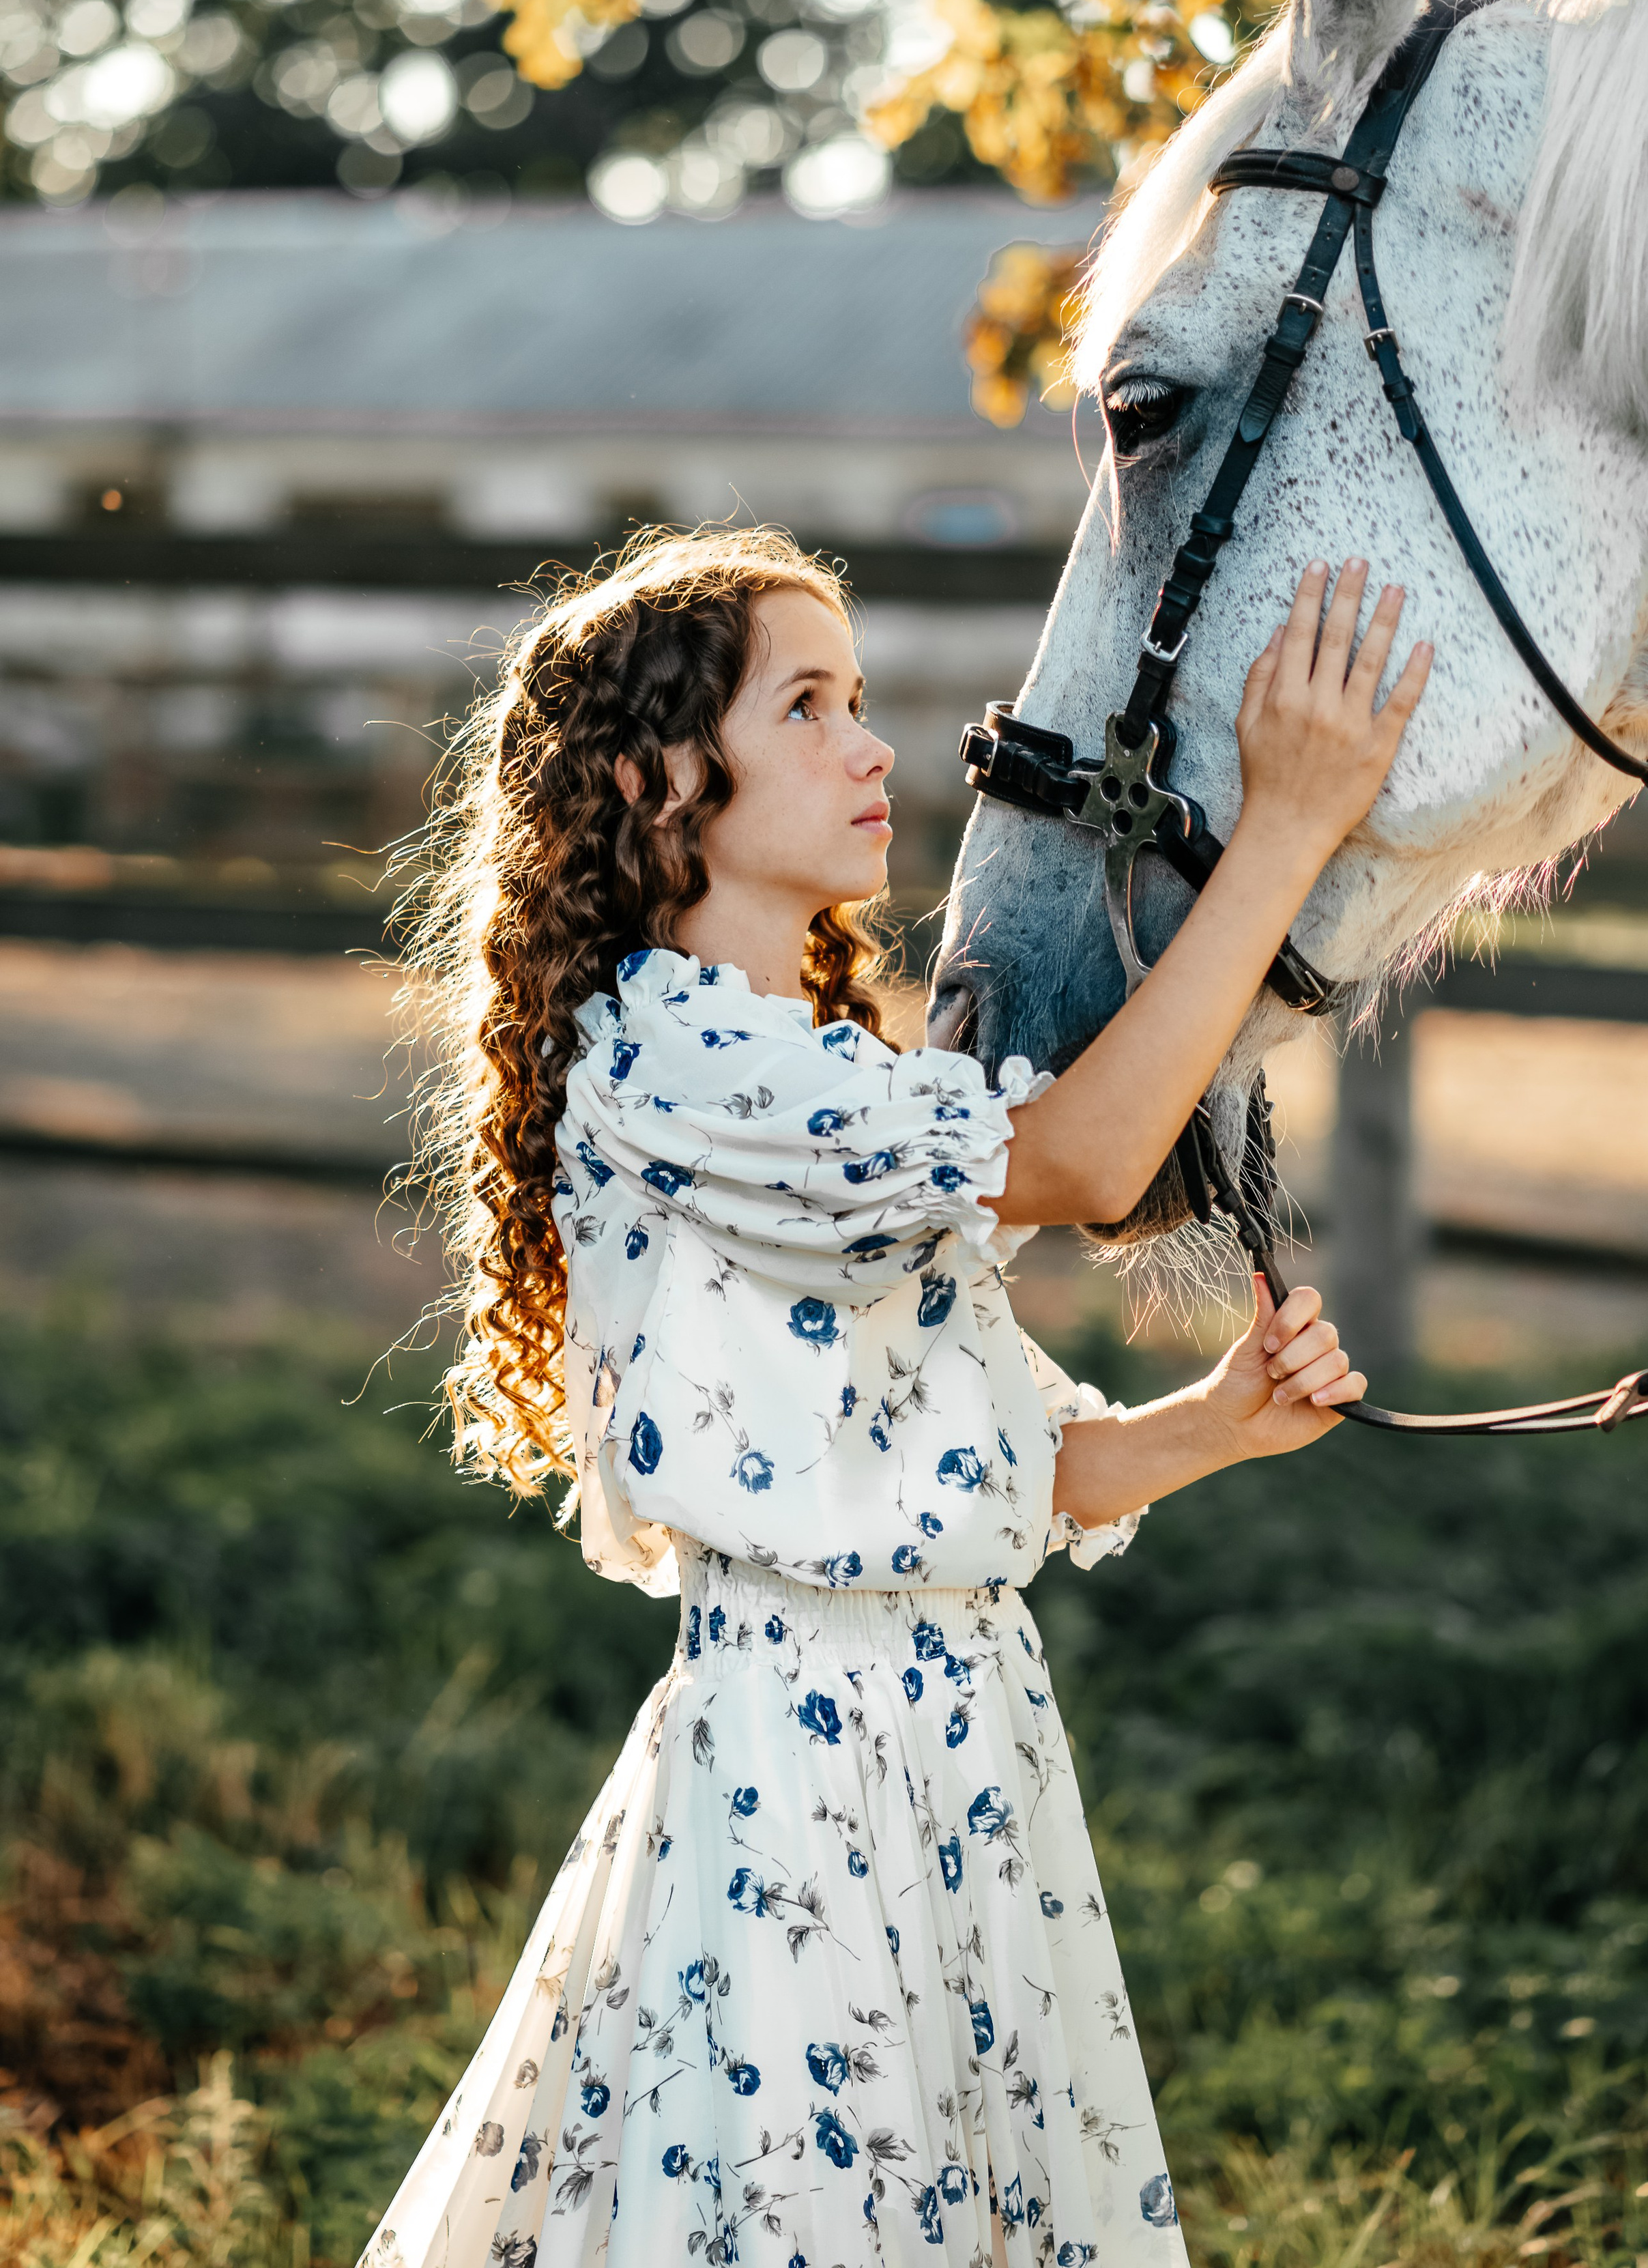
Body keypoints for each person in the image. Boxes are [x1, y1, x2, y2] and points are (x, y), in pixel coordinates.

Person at [364, 523, 1430, 2268]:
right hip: (799, 1769)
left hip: (969, 1760)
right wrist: (1292, 827)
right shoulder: (668, 1051)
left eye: (857, 700)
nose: (870, 746)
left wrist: (1218, 1423)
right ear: (656, 779)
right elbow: (1086, 1159)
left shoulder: (840, 1081)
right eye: (805, 707)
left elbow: (993, 1470)